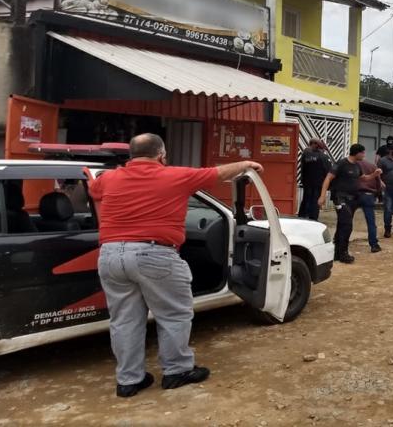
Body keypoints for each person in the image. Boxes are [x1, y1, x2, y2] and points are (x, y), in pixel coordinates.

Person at [89, 133, 263, 398]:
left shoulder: (109, 178)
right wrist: (246, 164)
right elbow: (216, 173)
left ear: (131, 155)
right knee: (173, 315)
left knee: (124, 321)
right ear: (161, 155)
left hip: (110, 255)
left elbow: (94, 190)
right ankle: (177, 371)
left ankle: (128, 380)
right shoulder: (174, 175)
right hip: (154, 253)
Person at [319, 144, 383, 263]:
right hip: (340, 198)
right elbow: (328, 178)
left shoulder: (357, 166)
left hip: (353, 199)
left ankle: (337, 252)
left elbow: (363, 178)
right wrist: (322, 196)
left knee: (342, 224)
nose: (364, 155)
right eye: (363, 153)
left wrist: (374, 175)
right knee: (347, 225)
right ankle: (343, 253)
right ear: (357, 153)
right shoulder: (342, 163)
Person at [354, 158, 383, 253]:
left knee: (347, 221)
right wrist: (379, 195)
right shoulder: (372, 166)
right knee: (371, 222)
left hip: (353, 195)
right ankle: (374, 244)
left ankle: (341, 243)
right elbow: (378, 181)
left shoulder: (351, 164)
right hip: (368, 195)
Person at [297, 138, 331, 221]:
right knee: (315, 201)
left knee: (306, 199)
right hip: (319, 183)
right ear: (317, 145)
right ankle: (313, 218)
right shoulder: (323, 156)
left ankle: (302, 216)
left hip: (307, 182)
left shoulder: (305, 153)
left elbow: (303, 168)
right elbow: (328, 170)